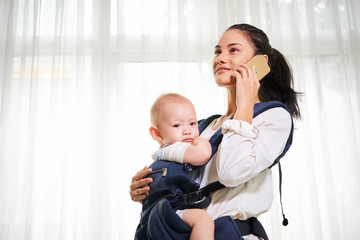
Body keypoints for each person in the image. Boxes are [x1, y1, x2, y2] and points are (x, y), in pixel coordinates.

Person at [130, 23, 301, 240]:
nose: (220, 58)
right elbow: (176, 174)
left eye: (233, 50)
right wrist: (145, 187)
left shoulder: (274, 117)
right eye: (217, 51)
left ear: (260, 62)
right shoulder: (201, 126)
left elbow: (231, 173)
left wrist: (245, 102)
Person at [146, 93, 214, 240]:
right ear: (156, 134)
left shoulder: (166, 152)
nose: (187, 131)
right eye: (177, 125)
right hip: (168, 210)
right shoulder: (173, 149)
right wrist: (202, 140)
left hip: (163, 212)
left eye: (192, 123)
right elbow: (203, 154)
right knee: (203, 220)